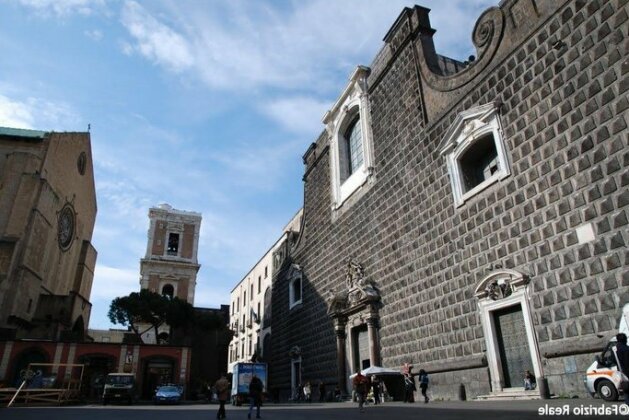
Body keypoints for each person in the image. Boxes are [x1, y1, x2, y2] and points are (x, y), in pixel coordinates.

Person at [616, 333, 629, 405]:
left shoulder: (615, 349)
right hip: (627, 371)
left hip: (622, 372)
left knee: (626, 389)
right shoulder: (626, 348)